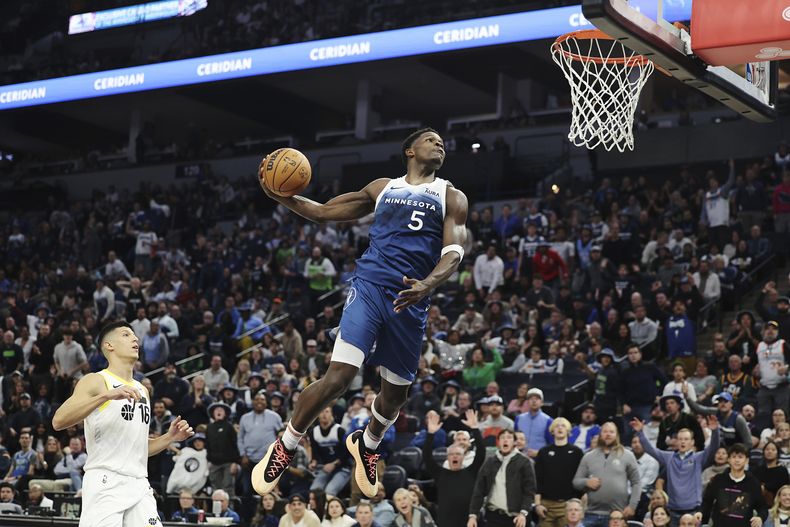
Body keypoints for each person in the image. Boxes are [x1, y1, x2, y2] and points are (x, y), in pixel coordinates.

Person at [254, 128, 469, 498]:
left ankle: (368, 444)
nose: (439, 143)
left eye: (441, 141)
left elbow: (454, 252)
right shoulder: (382, 187)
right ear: (409, 150)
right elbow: (322, 212)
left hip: (410, 299)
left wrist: (427, 285)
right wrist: (282, 196)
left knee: (395, 397)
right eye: (430, 139)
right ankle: (286, 445)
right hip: (369, 286)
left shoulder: (451, 196)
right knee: (339, 376)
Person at [51, 320, 194, 527]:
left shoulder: (142, 390)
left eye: (135, 336)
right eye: (126, 335)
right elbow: (58, 420)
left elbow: (138, 447)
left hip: (138, 482)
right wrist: (106, 396)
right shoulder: (96, 381)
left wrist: (169, 438)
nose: (135, 338)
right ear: (110, 346)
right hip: (105, 481)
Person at [632, 415, 720, 525]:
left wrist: (715, 430)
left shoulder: (699, 458)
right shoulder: (669, 457)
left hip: (693, 510)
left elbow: (714, 448)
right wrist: (640, 432)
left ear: (692, 442)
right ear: (677, 442)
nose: (683, 442)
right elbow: (651, 450)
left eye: (686, 439)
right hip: (672, 511)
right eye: (680, 439)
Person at [423, 409, 486, 527]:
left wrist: (475, 429)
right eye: (452, 454)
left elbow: (481, 453)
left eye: (458, 454)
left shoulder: (471, 471)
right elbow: (427, 457)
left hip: (469, 522)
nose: (455, 456)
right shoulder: (440, 473)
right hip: (445, 522)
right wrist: (430, 433)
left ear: (463, 457)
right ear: (447, 457)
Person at [572, 422, 642, 527]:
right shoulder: (588, 456)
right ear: (600, 434)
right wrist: (586, 482)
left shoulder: (627, 455)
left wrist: (632, 505)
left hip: (617, 515)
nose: (608, 434)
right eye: (605, 431)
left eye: (611, 432)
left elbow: (636, 482)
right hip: (591, 513)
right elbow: (576, 482)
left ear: (616, 435)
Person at [468, 428, 536, 527]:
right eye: (502, 437)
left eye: (509, 437)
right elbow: (479, 490)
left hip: (517, 518)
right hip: (493, 516)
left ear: (514, 443)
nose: (505, 440)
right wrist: (473, 515)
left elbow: (529, 491)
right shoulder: (490, 462)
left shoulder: (524, 462)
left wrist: (523, 513)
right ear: (498, 442)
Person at [701, 443, 768, 527]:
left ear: (746, 460)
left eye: (740, 457)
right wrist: (701, 514)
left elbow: (763, 507)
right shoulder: (718, 480)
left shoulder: (753, 483)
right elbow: (707, 502)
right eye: (733, 457)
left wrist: (760, 517)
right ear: (728, 459)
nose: (737, 460)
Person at [535, 418, 584, 527]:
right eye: (557, 426)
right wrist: (538, 504)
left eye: (563, 426)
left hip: (568, 505)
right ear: (552, 431)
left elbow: (581, 479)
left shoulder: (577, 452)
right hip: (546, 505)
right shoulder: (543, 452)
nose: (560, 428)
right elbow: (538, 479)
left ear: (568, 431)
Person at [684, 389, 751, 447]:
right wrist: (686, 396)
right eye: (720, 401)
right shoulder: (715, 412)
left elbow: (748, 442)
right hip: (719, 450)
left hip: (733, 452)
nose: (723, 404)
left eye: (726, 401)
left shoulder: (738, 419)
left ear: (731, 404)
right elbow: (698, 409)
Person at [754, 321, 789, 426]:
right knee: (763, 415)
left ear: (777, 332)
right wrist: (754, 369)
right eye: (767, 329)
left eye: (773, 329)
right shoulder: (760, 346)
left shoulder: (782, 344)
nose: (770, 331)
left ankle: (784, 438)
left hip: (781, 386)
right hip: (764, 386)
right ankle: (764, 436)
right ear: (763, 332)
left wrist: (787, 367)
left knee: (781, 414)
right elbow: (750, 362)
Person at [514, 388, 554, 458]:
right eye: (531, 398)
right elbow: (514, 439)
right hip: (519, 458)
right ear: (527, 402)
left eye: (537, 399)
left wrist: (539, 453)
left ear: (542, 402)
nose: (534, 401)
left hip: (540, 459)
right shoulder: (519, 418)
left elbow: (552, 445)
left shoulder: (548, 420)